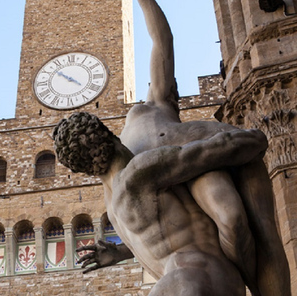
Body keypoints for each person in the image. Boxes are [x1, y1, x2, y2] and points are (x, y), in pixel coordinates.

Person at [73, 0, 289, 296]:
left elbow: (162, 43)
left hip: (208, 159)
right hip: (202, 165)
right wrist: (119, 252)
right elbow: (156, 229)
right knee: (236, 220)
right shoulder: (140, 131)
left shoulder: (146, 118)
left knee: (236, 219)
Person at [54, 111, 266, 296]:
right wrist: (257, 137)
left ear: (83, 169)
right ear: (110, 135)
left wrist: (119, 253)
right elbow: (216, 149)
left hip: (187, 280)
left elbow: (160, 235)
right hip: (199, 276)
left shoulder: (112, 208)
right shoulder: (138, 172)